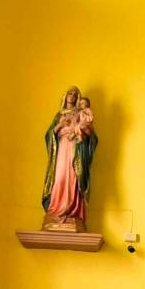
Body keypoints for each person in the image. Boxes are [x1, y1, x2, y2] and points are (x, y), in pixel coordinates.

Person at [41, 87, 98, 231]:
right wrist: (61, 124)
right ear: (65, 96)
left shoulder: (80, 113)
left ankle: (73, 212)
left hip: (75, 149)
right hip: (61, 150)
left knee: (73, 177)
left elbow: (92, 135)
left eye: (75, 94)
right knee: (59, 177)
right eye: (69, 93)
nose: (72, 96)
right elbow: (49, 135)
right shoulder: (58, 114)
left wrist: (81, 133)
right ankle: (56, 211)